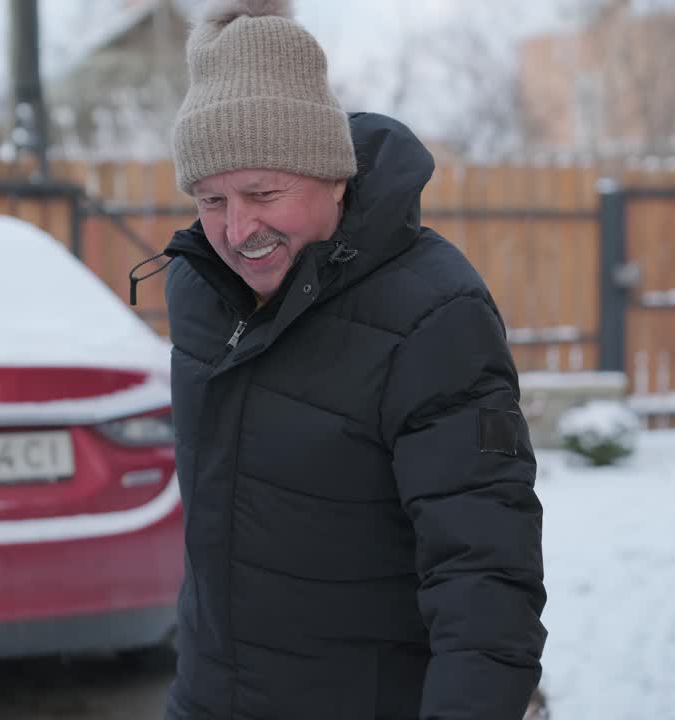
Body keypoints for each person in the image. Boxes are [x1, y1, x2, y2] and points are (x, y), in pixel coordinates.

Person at [144, 0, 547, 717]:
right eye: (211, 199)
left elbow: (484, 576)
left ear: (331, 174)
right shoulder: (198, 291)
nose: (237, 230)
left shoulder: (435, 314)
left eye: (263, 193)